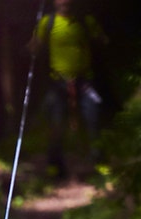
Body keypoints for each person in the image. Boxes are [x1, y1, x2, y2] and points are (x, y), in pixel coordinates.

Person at [32, 0, 106, 179]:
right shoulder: (47, 23)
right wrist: (31, 49)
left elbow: (102, 40)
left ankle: (98, 164)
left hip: (85, 82)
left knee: (93, 120)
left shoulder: (84, 21)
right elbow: (34, 46)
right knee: (56, 123)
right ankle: (55, 166)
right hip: (57, 83)